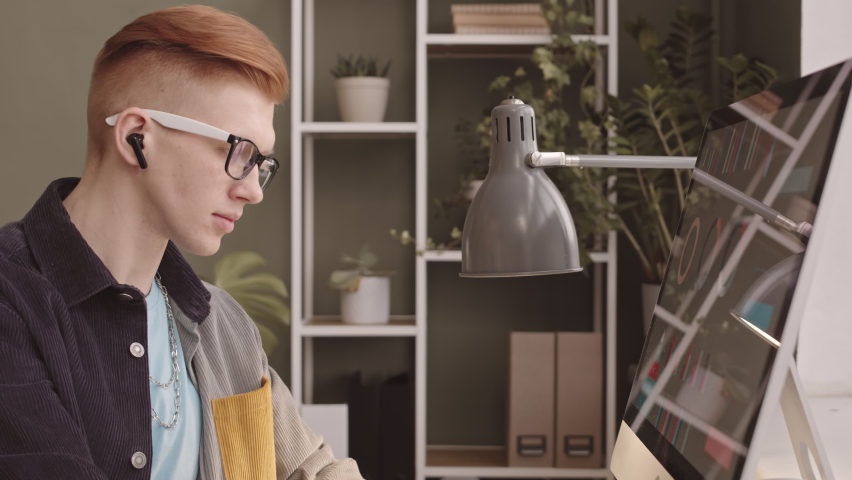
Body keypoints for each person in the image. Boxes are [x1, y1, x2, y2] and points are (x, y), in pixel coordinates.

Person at [0, 5, 362, 480]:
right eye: (240, 152)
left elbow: (313, 470)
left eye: (262, 164)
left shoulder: (223, 323)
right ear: (137, 138)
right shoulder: (13, 304)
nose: (253, 190)